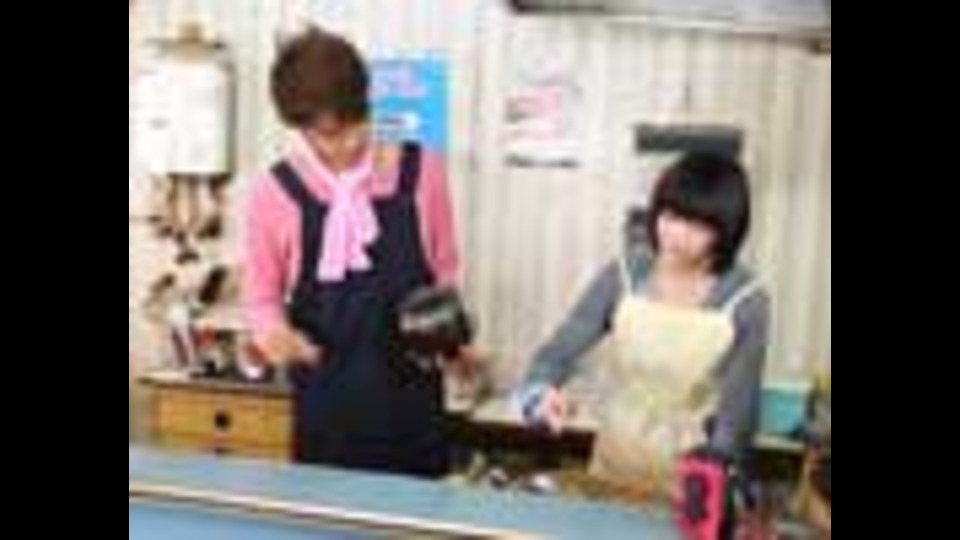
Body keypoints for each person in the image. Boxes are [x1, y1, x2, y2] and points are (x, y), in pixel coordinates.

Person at [243, 26, 462, 478]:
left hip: (413, 408)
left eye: (358, 121)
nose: (351, 142)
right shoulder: (275, 193)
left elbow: (444, 275)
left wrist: (453, 344)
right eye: (330, 134)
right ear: (299, 128)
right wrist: (276, 336)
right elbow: (261, 298)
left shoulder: (424, 172)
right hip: (329, 409)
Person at [516, 152, 769, 497]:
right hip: (614, 460)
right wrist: (539, 395)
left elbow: (738, 416)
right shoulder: (624, 273)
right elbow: (556, 354)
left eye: (697, 226)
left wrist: (716, 474)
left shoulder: (746, 300)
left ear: (726, 231)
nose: (676, 234)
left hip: (693, 480)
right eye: (670, 216)